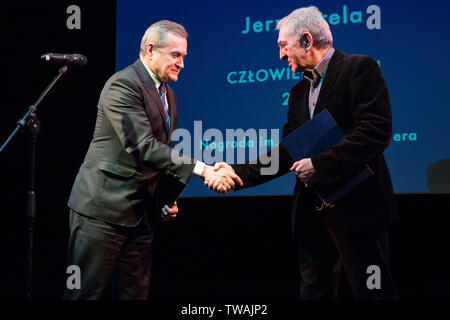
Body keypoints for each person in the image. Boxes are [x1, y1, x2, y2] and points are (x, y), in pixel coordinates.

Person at [210, 6, 399, 299]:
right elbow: (288, 153)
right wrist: (239, 173)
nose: (280, 56)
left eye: (283, 46)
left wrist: (321, 165)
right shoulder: (298, 93)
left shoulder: (358, 68)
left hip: (358, 213)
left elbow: (376, 131)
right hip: (314, 218)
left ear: (307, 41)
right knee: (314, 294)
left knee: (373, 294)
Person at [63, 20, 242, 300]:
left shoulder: (167, 93)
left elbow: (160, 157)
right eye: (176, 55)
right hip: (101, 212)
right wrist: (204, 169)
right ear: (150, 50)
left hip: (141, 216)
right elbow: (144, 147)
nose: (182, 63)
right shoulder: (122, 85)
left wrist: (162, 201)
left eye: (184, 56)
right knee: (84, 294)